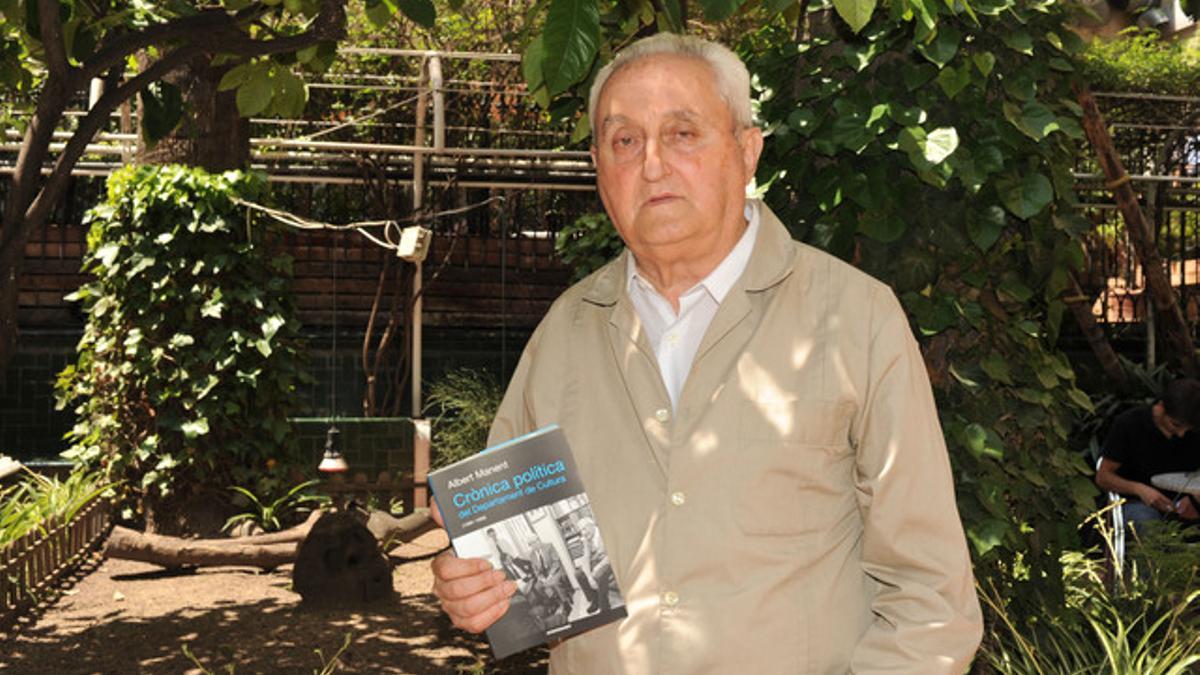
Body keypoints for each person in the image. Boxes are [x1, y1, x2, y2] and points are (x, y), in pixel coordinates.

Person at [432, 33, 983, 672]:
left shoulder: (855, 318)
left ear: (747, 152)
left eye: (683, 133)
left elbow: (930, 597)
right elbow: (515, 567)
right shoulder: (566, 332)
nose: (653, 164)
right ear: (598, 167)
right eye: (624, 141)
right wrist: (470, 585)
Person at [1096, 378, 1200, 529]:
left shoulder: (1193, 431)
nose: (1181, 433)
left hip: (1183, 504)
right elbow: (1103, 477)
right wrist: (1139, 489)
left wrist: (1194, 498)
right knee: (1146, 521)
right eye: (1176, 425)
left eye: (1188, 429)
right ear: (1161, 407)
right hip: (1136, 503)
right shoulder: (1129, 424)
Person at [574, 517, 615, 614]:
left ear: (591, 525)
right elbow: (586, 557)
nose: (583, 533)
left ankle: (604, 606)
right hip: (597, 561)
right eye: (581, 531)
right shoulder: (587, 539)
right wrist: (589, 577)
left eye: (584, 529)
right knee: (578, 574)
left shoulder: (603, 532)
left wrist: (596, 569)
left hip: (609, 560)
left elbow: (611, 554)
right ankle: (595, 599)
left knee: (598, 575)